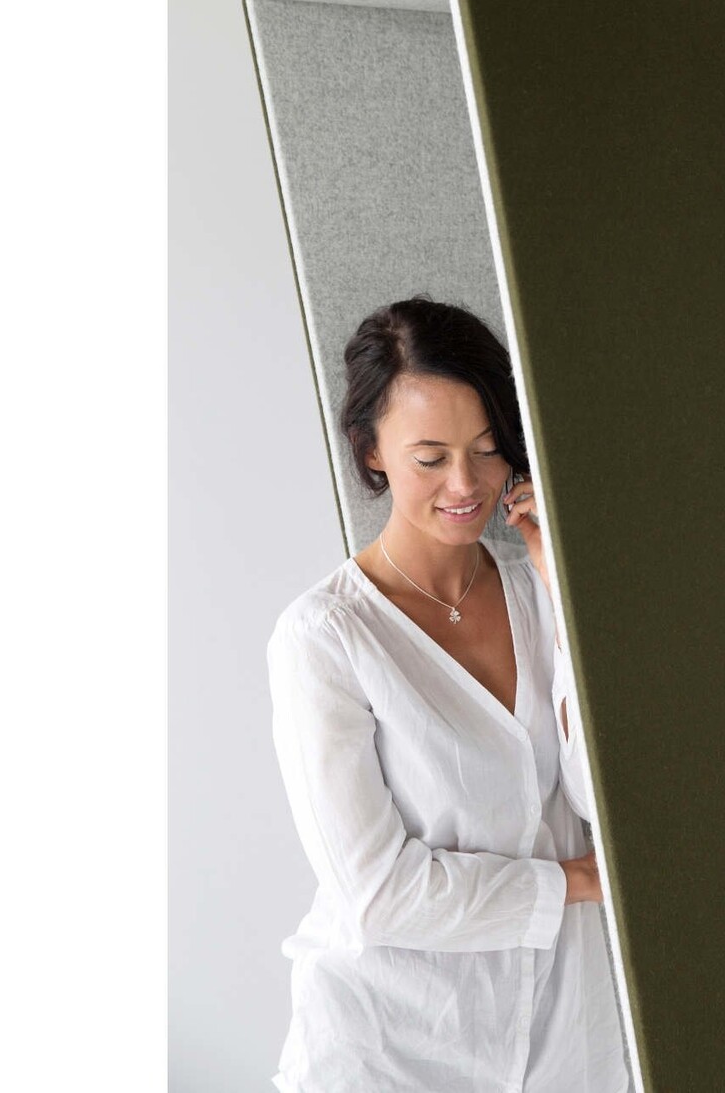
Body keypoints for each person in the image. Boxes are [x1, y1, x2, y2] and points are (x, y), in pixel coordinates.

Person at [266, 297, 629, 1092]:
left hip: (564, 1040)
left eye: (487, 448)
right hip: (391, 1049)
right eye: (430, 457)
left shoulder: (542, 593)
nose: (466, 484)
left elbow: (606, 800)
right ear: (372, 451)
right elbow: (380, 896)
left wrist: (562, 586)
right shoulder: (325, 638)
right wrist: (578, 879)